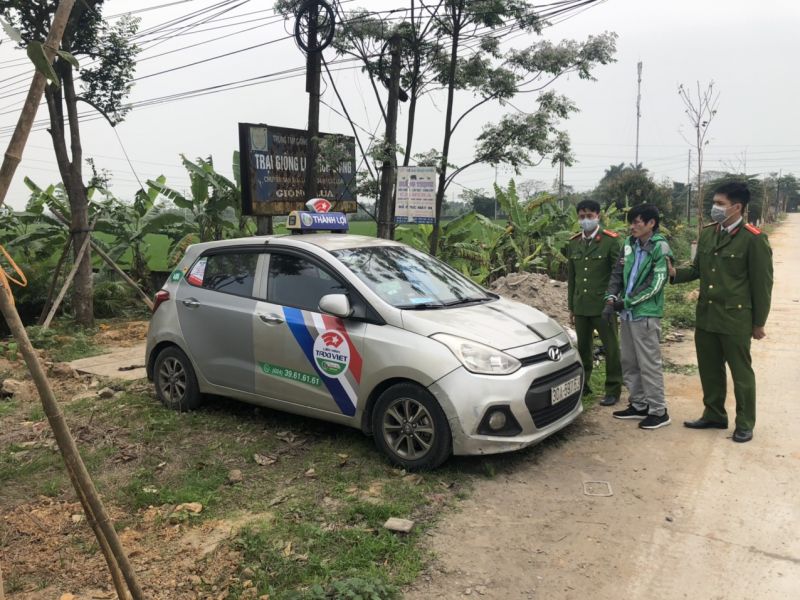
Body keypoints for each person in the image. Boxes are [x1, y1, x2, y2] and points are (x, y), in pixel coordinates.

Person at [669, 182, 773, 443]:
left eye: (720, 204)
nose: (714, 208)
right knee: (710, 369)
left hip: (735, 318)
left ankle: (745, 422)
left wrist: (758, 322)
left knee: (741, 373)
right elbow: (697, 269)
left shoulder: (754, 239)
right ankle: (714, 414)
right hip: (707, 315)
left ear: (737, 207)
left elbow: (762, 285)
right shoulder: (708, 233)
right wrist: (672, 274)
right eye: (714, 202)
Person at [603, 204, 673, 429]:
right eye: (631, 222)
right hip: (627, 313)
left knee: (649, 363)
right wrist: (611, 297)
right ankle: (639, 404)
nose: (632, 226)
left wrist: (629, 301)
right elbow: (617, 272)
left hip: (645, 314)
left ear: (651, 223)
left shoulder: (660, 247)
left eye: (637, 222)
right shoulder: (629, 243)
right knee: (629, 361)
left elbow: (657, 284)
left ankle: (658, 410)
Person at [566, 199, 623, 406]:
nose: (585, 220)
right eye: (582, 216)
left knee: (611, 348)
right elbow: (571, 278)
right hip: (581, 306)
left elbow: (618, 274)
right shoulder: (573, 243)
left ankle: (613, 388)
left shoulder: (611, 241)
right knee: (583, 349)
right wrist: (571, 306)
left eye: (589, 216)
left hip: (603, 306)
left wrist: (614, 301)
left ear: (598, 216)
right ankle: (584, 385)